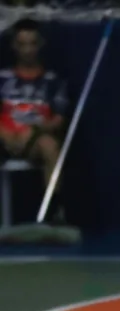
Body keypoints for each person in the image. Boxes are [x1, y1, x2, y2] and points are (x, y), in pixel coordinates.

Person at [0, 18, 67, 198]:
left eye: (32, 44)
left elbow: (57, 121)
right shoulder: (3, 78)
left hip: (34, 139)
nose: (27, 50)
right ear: (14, 45)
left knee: (50, 146)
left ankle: (53, 208)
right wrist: (4, 133)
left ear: (40, 45)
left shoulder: (53, 81)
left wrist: (34, 130)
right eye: (22, 45)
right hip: (4, 137)